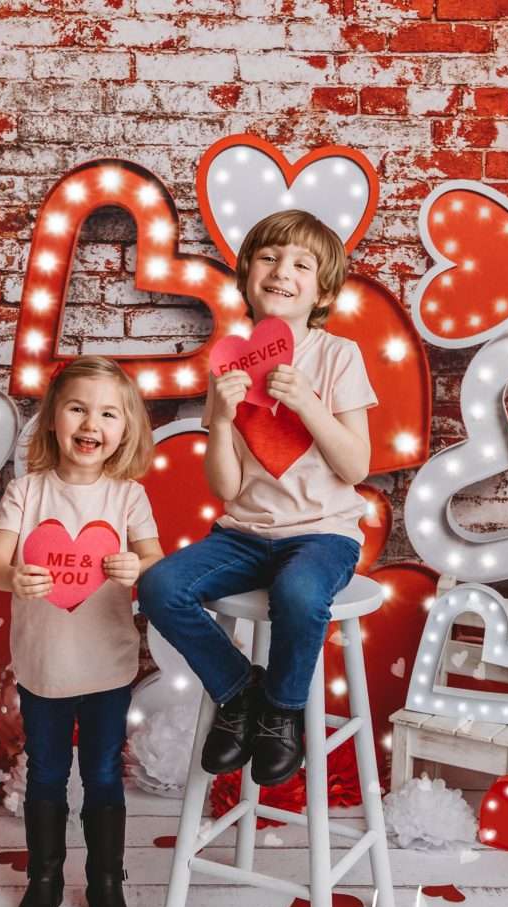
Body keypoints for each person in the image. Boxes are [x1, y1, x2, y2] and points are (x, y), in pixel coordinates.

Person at [139, 209, 377, 788]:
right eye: (269, 258)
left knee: (298, 593)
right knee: (160, 586)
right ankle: (239, 690)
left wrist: (308, 405)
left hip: (324, 533)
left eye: (301, 263)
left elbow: (356, 466)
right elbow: (224, 488)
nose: (282, 272)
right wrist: (219, 417)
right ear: (247, 274)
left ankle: (282, 713)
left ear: (322, 289)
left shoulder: (337, 355)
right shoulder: (232, 359)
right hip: (243, 534)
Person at [0, 355, 163, 907]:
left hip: (107, 664)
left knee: (105, 776)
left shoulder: (128, 497)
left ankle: (106, 882)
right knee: (46, 775)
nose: (92, 422)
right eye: (79, 408)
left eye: (108, 413)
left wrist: (138, 565)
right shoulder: (27, 491)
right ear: (54, 420)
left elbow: (156, 561)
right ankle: (45, 880)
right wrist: (12, 576)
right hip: (44, 666)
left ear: (126, 428)